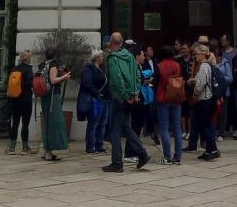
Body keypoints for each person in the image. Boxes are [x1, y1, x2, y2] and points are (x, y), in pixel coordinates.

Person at [103, 31, 150, 172]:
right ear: (122, 42)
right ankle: (142, 153)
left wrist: (125, 96)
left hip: (120, 98)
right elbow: (137, 74)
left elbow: (117, 79)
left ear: (111, 43)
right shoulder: (129, 56)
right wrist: (135, 93)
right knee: (126, 128)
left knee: (115, 131)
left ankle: (117, 162)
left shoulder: (113, 58)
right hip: (130, 97)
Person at [154, 44, 185, 164]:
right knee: (177, 127)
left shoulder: (159, 66)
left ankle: (167, 156)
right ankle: (178, 156)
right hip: (176, 97)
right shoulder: (177, 65)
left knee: (164, 128)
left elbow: (156, 82)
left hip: (162, 98)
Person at [39, 49, 71, 162]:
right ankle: (48, 153)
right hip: (52, 97)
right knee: (54, 123)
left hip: (45, 96)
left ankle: (47, 151)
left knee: (48, 123)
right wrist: (64, 77)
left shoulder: (43, 65)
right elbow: (53, 81)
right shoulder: (53, 65)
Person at [191, 44, 220, 161]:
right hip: (208, 99)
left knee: (204, 125)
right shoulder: (206, 65)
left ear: (203, 54)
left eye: (196, 54)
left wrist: (195, 95)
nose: (195, 57)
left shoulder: (204, 66)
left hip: (205, 100)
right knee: (205, 125)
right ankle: (209, 151)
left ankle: (213, 150)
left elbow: (200, 84)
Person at [79, 50, 110, 154]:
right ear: (96, 58)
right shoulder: (89, 69)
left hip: (103, 99)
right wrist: (97, 93)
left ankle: (99, 144)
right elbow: (87, 83)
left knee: (102, 123)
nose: (103, 58)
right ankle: (90, 146)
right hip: (95, 100)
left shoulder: (100, 69)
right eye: (101, 56)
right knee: (93, 123)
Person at [7, 49, 35, 155]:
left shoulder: (14, 69)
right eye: (30, 57)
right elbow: (30, 83)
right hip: (25, 99)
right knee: (25, 123)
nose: (31, 59)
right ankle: (25, 148)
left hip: (14, 99)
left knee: (15, 123)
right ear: (27, 59)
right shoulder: (28, 69)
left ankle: (12, 148)